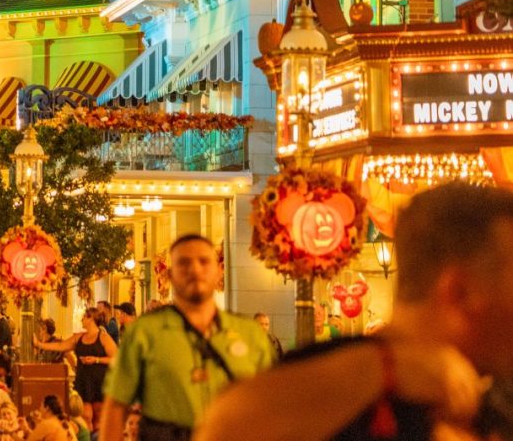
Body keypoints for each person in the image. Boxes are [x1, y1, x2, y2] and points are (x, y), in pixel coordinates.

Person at [196, 181, 513, 441]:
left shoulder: (496, 393)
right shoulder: (350, 383)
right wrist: (386, 369)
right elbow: (225, 425)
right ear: (459, 291)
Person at [99, 234, 274, 441]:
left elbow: (270, 407)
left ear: (219, 272)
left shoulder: (250, 334)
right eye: (184, 263)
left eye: (204, 261)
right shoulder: (145, 332)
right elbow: (116, 405)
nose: (195, 269)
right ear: (170, 275)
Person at [34, 307, 117, 431]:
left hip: (99, 381)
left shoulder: (103, 337)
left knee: (99, 417)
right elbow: (61, 346)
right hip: (83, 381)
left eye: (84, 317)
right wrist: (39, 344)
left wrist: (96, 360)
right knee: (85, 416)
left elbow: (117, 359)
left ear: (91, 318)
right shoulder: (79, 337)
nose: (81, 319)